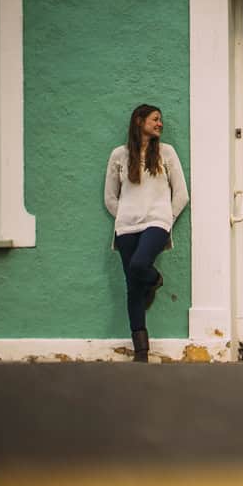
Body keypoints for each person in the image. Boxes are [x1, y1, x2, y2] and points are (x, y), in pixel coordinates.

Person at [104, 104, 189, 363]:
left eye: (161, 120)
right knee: (132, 287)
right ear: (139, 121)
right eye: (155, 119)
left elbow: (182, 194)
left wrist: (166, 219)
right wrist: (126, 214)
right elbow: (110, 197)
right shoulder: (119, 155)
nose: (160, 124)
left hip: (157, 223)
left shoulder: (166, 152)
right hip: (126, 227)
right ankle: (141, 351)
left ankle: (155, 280)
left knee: (140, 265)